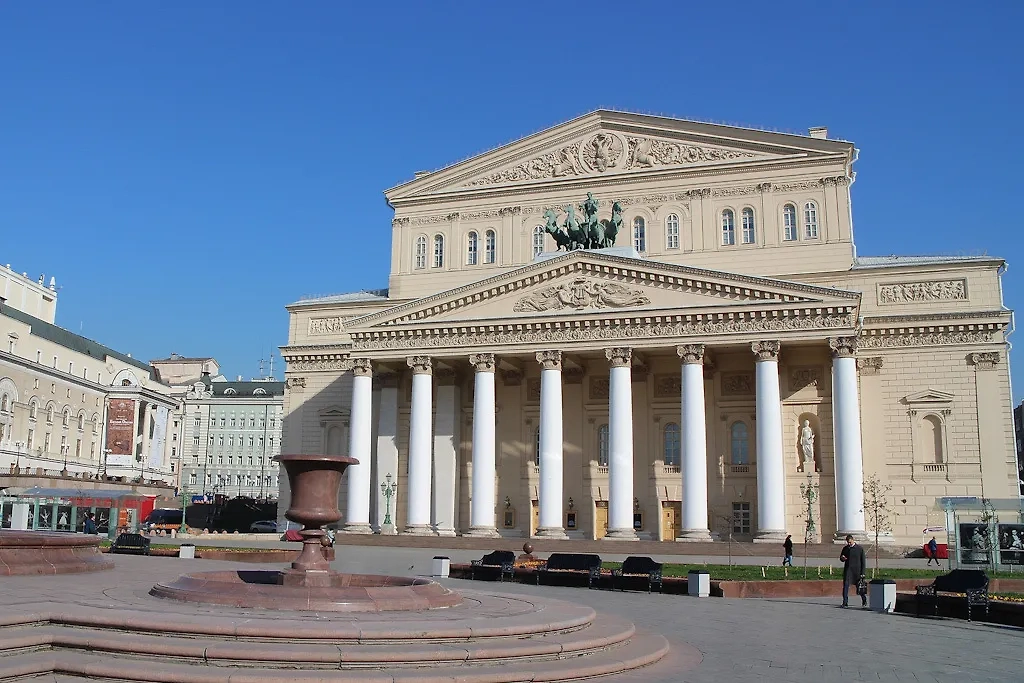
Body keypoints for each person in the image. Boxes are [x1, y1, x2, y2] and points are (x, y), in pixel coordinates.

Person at [839, 534, 866, 608]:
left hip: (857, 571)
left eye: (850, 542)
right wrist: (842, 558)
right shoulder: (845, 548)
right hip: (848, 570)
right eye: (848, 542)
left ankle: (864, 600)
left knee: (859, 587)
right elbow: (841, 558)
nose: (849, 544)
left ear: (853, 540)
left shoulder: (859, 549)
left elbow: (863, 561)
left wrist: (863, 573)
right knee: (845, 587)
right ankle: (845, 602)